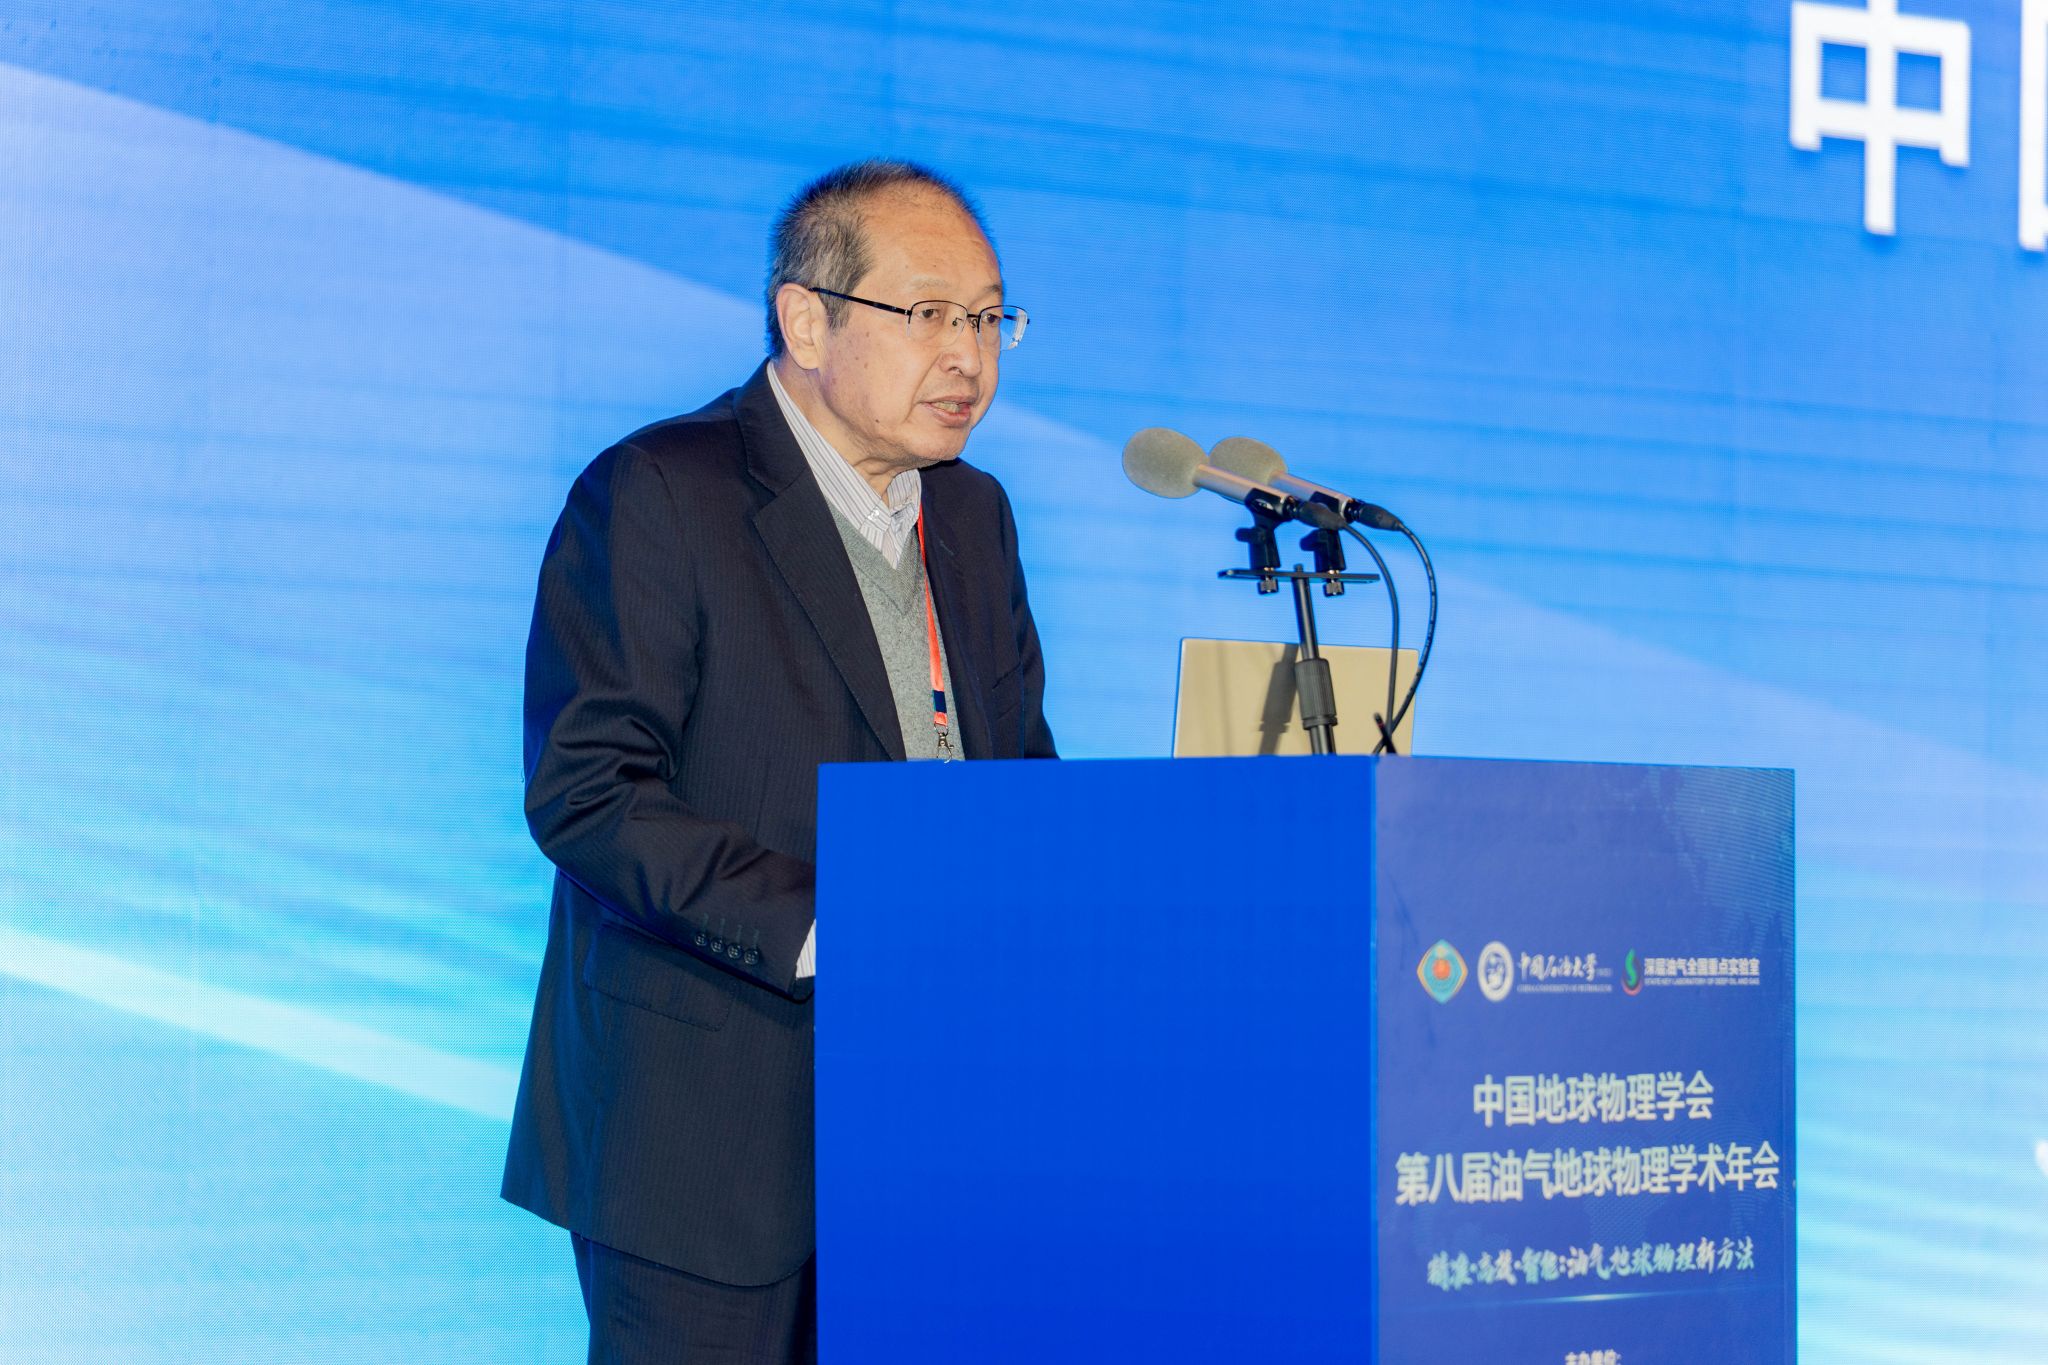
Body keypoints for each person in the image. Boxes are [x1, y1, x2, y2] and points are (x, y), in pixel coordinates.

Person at [500, 159, 1057, 1365]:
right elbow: (589, 790)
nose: (966, 357)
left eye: (986, 319)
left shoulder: (973, 516)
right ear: (805, 321)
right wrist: (831, 923)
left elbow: (1015, 770)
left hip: (931, 1122)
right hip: (703, 1136)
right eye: (927, 315)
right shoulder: (660, 491)